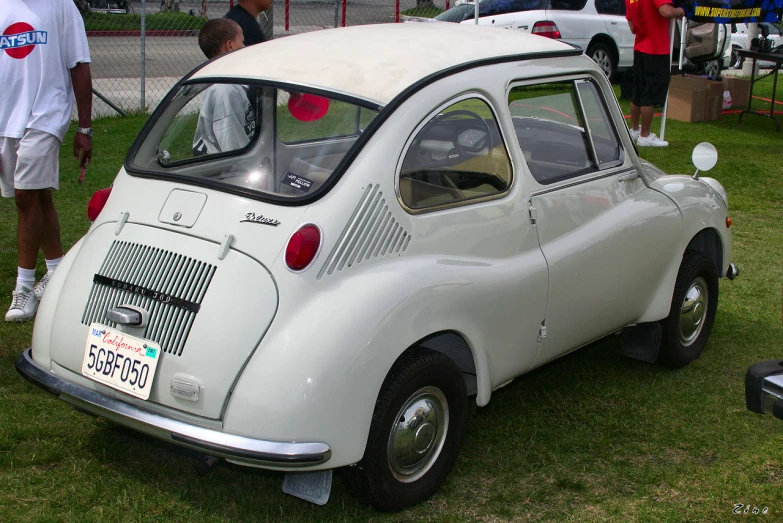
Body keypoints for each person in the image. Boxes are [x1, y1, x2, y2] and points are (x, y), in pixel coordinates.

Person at [1, 0, 93, 322]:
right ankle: (57, 271)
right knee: (37, 195)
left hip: (46, 115)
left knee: (26, 197)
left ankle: (23, 289)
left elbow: (79, 66)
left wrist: (84, 128)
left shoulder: (61, 6)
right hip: (5, 120)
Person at [625, 0, 685, 147]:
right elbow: (666, 11)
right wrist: (679, 11)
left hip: (640, 47)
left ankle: (635, 130)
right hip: (656, 49)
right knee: (651, 94)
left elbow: (632, 27)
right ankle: (645, 135)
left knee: (638, 91)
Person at [193, 18, 255, 156]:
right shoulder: (225, 90)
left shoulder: (225, 81)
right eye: (242, 41)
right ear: (230, 45)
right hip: (228, 173)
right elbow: (233, 150)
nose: (244, 47)